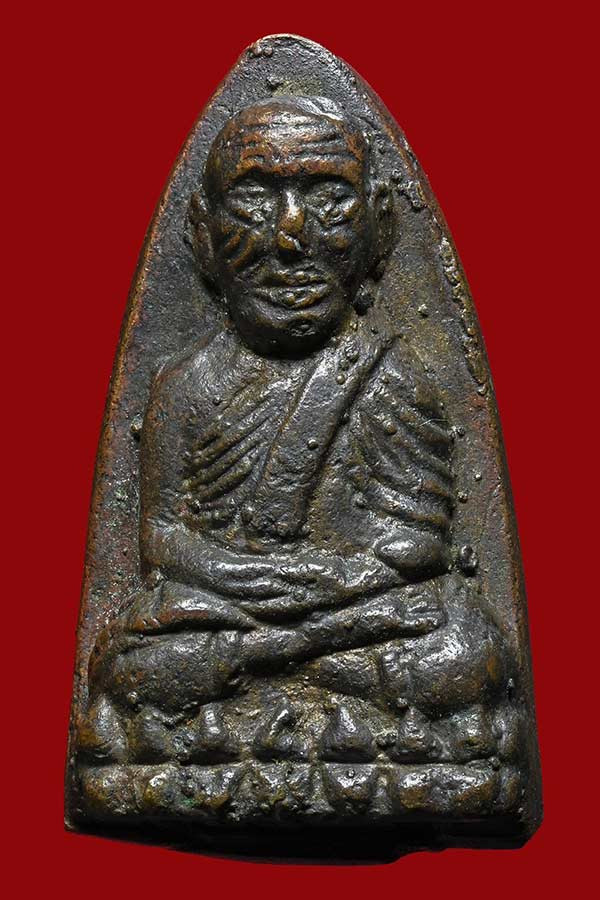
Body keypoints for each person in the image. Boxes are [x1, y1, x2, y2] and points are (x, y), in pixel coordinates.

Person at [80, 98, 515, 770]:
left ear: (379, 228)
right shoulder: (184, 385)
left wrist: (336, 578)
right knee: (125, 656)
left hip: (352, 607)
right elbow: (162, 539)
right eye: (253, 200)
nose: (289, 235)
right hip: (238, 608)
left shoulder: (391, 377)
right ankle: (306, 682)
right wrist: (251, 577)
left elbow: (421, 544)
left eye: (328, 200)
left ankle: (253, 687)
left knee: (467, 648)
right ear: (203, 232)